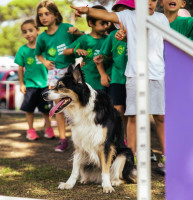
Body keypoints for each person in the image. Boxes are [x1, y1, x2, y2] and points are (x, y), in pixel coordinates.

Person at [71, 0, 169, 173]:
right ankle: (131, 160)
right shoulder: (128, 16)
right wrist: (87, 10)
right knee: (133, 117)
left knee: (160, 117)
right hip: (134, 75)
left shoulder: (162, 19)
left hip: (157, 75)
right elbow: (107, 15)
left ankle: (167, 157)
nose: (149, 3)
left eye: (153, 0)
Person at [35, 0, 83, 152]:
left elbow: (83, 40)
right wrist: (44, 62)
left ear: (55, 15)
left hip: (70, 73)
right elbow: (38, 54)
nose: (43, 17)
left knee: (76, 105)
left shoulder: (67, 28)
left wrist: (78, 32)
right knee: (58, 108)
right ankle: (63, 139)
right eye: (40, 15)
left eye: (47, 14)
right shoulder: (42, 37)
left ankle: (79, 140)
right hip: (54, 73)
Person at [15, 19, 54, 141]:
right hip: (30, 85)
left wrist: (52, 82)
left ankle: (48, 129)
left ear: (37, 30)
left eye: (31, 30)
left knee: (46, 110)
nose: (28, 34)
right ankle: (30, 130)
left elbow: (51, 65)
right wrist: (22, 83)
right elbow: (20, 68)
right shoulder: (23, 50)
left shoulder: (45, 47)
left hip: (45, 84)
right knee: (29, 109)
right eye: (25, 32)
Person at [63, 5, 110, 91]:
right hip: (88, 83)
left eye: (107, 23)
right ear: (91, 23)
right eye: (102, 23)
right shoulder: (85, 39)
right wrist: (75, 50)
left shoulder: (108, 39)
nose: (106, 26)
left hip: (105, 83)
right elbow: (65, 51)